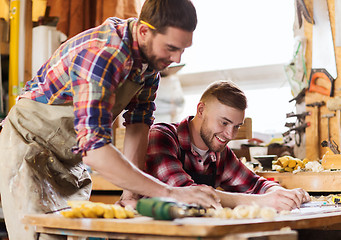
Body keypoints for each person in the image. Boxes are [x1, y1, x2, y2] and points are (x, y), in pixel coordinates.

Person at [0, 1, 220, 239]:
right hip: (29, 150)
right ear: (144, 31)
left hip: (69, 161)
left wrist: (130, 195)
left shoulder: (149, 67)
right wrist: (171, 193)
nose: (176, 58)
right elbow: (95, 150)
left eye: (183, 49)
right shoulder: (102, 54)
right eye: (171, 48)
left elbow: (138, 124)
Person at [145, 80, 311, 211]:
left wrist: (280, 193)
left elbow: (254, 184)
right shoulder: (162, 136)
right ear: (201, 110)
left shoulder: (219, 152)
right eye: (224, 123)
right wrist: (263, 202)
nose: (230, 135)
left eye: (236, 126)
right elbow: (186, 193)